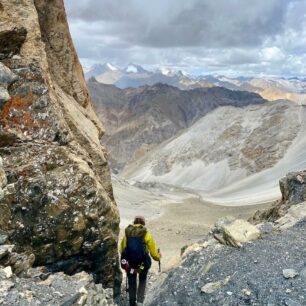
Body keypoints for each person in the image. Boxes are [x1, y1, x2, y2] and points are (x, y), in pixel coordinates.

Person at [120, 215, 161, 306]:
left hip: (130, 263)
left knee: (131, 281)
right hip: (142, 263)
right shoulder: (145, 233)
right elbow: (153, 252)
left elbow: (122, 249)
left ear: (134, 222)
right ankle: (139, 302)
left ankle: (132, 302)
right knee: (142, 279)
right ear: (143, 223)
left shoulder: (128, 232)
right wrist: (158, 257)